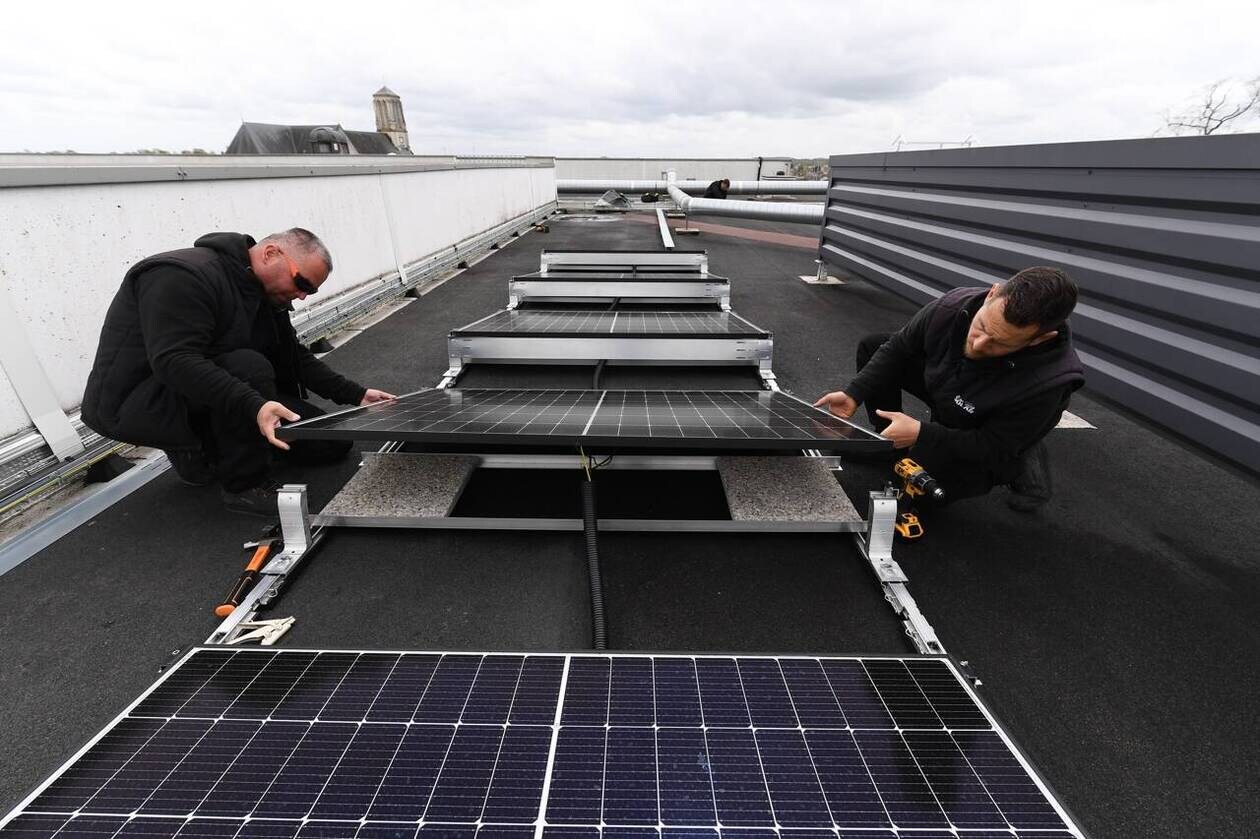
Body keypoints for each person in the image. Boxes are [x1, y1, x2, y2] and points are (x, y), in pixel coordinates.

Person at [81, 229, 395, 516]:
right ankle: (241, 483)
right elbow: (175, 361)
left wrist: (356, 393)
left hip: (210, 389)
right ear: (271, 253)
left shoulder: (265, 294)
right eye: (301, 284)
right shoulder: (182, 275)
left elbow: (292, 357)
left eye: (309, 292)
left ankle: (221, 449)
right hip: (142, 401)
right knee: (249, 366)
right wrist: (255, 405)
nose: (302, 296)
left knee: (331, 443)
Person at [814, 267, 1084, 513]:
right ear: (992, 293)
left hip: (987, 428)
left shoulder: (1047, 384)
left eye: (999, 343)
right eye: (981, 327)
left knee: (921, 495)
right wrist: (854, 392)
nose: (978, 345)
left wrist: (923, 433)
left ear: (1039, 339)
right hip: (954, 389)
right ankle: (890, 443)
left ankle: (1023, 458)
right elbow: (898, 348)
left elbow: (992, 446)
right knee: (874, 346)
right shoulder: (952, 307)